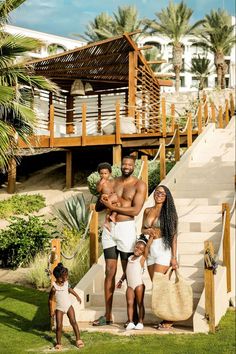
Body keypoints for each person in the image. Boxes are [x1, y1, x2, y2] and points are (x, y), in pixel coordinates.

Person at [92, 155, 147, 326]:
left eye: (130, 164)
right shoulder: (112, 182)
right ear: (121, 165)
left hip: (125, 229)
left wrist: (112, 207)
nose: (126, 166)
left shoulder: (139, 185)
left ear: (134, 166)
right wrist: (102, 202)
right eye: (124, 164)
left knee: (129, 271)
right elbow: (98, 206)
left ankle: (134, 317)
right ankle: (107, 315)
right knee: (109, 271)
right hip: (110, 229)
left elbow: (135, 210)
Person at [141, 184, 178, 330]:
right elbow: (142, 229)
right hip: (150, 249)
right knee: (157, 287)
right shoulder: (147, 210)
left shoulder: (169, 212)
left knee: (162, 285)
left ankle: (169, 319)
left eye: (162, 194)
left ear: (166, 196)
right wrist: (148, 230)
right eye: (157, 192)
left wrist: (174, 257)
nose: (159, 195)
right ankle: (166, 316)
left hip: (164, 248)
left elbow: (174, 236)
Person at [116, 234, 153, 330]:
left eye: (141, 249)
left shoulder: (142, 259)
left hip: (139, 285)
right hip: (130, 286)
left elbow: (148, 247)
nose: (138, 250)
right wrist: (120, 280)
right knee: (129, 303)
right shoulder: (129, 258)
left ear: (143, 251)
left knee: (140, 303)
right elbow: (126, 272)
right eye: (137, 247)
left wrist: (151, 238)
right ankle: (131, 321)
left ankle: (140, 322)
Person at [48, 263, 84, 350]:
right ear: (60, 278)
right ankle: (59, 343)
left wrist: (77, 296)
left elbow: (69, 289)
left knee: (73, 322)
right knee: (59, 326)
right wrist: (51, 311)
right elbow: (50, 300)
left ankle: (78, 339)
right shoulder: (54, 288)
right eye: (65, 276)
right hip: (59, 309)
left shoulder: (66, 283)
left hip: (68, 306)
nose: (67, 277)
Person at [96, 162, 120, 230]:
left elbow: (113, 190)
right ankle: (108, 220)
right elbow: (98, 190)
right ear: (99, 174)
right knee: (114, 200)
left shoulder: (111, 182)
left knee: (118, 204)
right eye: (101, 173)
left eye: (105, 173)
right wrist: (101, 183)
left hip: (111, 199)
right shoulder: (100, 182)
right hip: (104, 198)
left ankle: (111, 217)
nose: (103, 175)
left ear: (110, 174)